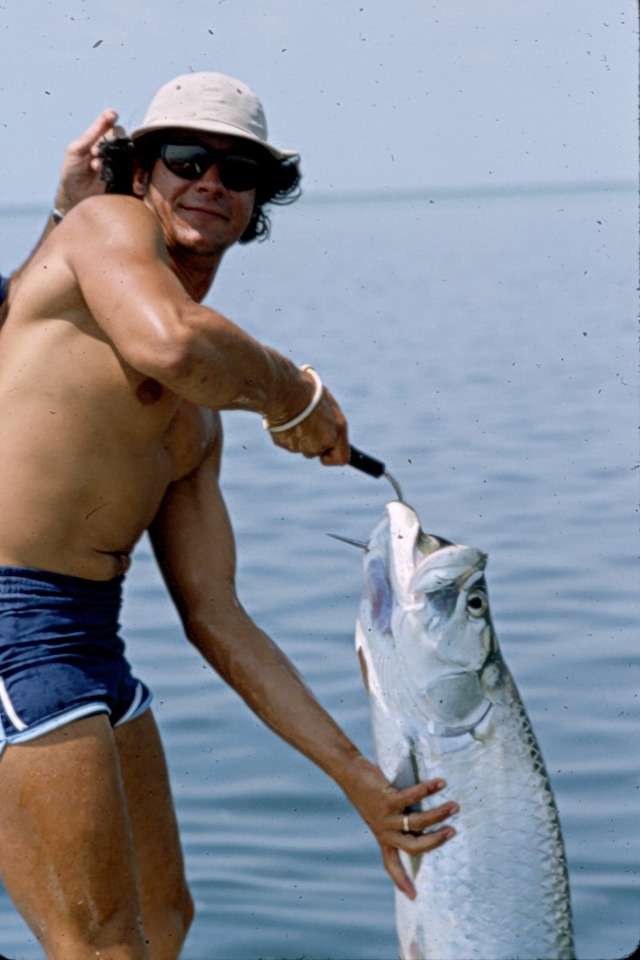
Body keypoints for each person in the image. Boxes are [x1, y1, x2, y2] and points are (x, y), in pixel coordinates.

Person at [0, 72, 458, 960]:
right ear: (142, 174)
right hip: (11, 627)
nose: (211, 181)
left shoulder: (197, 419)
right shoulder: (103, 224)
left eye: (238, 169)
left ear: (257, 203)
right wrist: (296, 396)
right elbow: (168, 336)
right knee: (100, 948)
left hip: (92, 643)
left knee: (165, 925)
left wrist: (358, 781)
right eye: (186, 159)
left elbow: (218, 615)